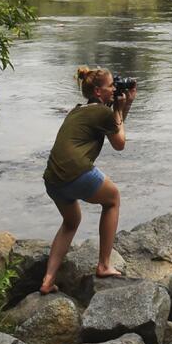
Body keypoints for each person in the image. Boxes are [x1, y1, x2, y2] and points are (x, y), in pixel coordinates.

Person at [40, 65, 136, 294]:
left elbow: (114, 127)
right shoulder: (103, 112)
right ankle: (104, 264)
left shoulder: (77, 111)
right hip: (76, 172)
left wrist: (124, 106)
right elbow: (120, 143)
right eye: (111, 86)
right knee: (112, 199)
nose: (115, 89)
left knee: (71, 222)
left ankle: (47, 280)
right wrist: (123, 107)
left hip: (53, 179)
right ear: (97, 92)